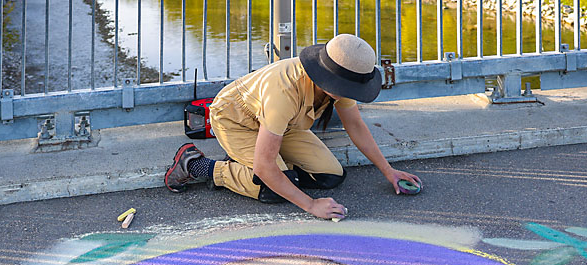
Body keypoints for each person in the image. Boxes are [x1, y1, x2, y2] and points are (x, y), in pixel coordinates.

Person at [164, 34, 423, 221]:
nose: (351, 93)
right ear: (331, 79)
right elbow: (267, 169)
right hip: (236, 122)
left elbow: (355, 125)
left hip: (282, 126)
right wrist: (310, 205)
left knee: (331, 176)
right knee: (271, 187)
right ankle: (196, 164)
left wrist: (388, 171)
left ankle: (259, 161)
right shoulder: (283, 93)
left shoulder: (342, 76)